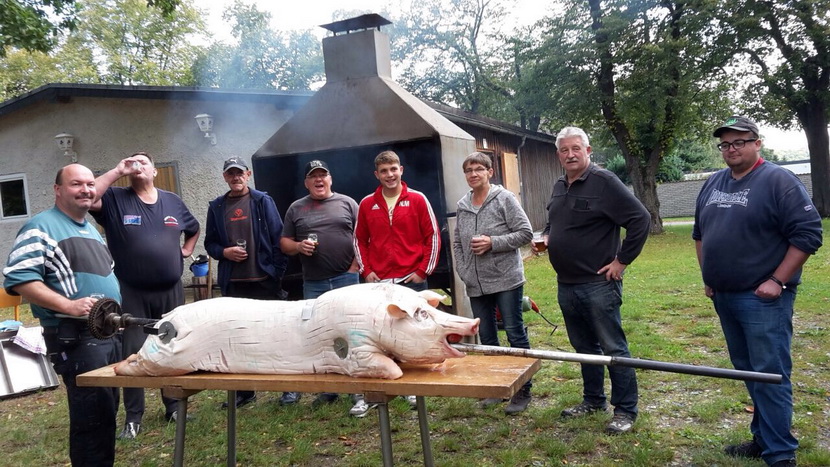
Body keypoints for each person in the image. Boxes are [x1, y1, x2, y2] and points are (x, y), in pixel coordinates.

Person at [693, 116, 822, 467]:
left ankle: (781, 454)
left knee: (768, 371)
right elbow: (699, 234)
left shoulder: (779, 181)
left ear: (756, 143)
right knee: (747, 369)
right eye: (725, 144)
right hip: (723, 294)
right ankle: (764, 439)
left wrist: (777, 280)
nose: (731, 149)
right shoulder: (714, 182)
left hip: (763, 298)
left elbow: (808, 234)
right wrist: (708, 276)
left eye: (739, 142)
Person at [533, 126, 650, 434]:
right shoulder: (560, 184)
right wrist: (546, 237)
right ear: (558, 154)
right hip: (566, 283)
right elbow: (554, 220)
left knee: (614, 348)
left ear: (588, 150)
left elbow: (640, 219)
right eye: (564, 150)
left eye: (576, 148)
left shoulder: (604, 182)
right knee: (584, 347)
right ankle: (593, 400)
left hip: (598, 284)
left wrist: (622, 261)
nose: (570, 154)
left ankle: (625, 410)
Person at [3, 164, 121, 466]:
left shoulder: (91, 230)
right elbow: (19, 278)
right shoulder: (40, 227)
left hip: (106, 334)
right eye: (76, 184)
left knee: (106, 411)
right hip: (77, 336)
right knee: (92, 419)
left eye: (90, 184)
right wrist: (68, 306)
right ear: (58, 190)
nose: (86, 190)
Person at [91, 152, 200, 439]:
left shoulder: (173, 201)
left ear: (154, 171)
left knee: (171, 346)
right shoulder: (115, 198)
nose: (136, 164)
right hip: (132, 291)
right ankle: (133, 418)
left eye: (143, 161)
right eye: (131, 161)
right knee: (132, 353)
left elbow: (193, 227)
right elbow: (89, 197)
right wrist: (116, 169)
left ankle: (174, 406)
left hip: (171, 291)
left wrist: (186, 250)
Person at [354, 150, 441, 409]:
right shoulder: (367, 203)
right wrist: (366, 270)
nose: (389, 175)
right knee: (379, 333)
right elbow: (359, 239)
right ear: (376, 174)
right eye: (384, 171)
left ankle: (412, 388)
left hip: (411, 280)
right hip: (379, 282)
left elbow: (433, 236)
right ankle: (378, 388)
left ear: (401, 170)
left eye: (393, 169)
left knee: (412, 334)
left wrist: (423, 271)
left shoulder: (417, 199)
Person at [279, 160, 367, 415]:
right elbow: (284, 242)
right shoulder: (297, 208)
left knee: (351, 332)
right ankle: (328, 390)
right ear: (306, 182)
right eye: (313, 177)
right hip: (314, 283)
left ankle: (357, 389)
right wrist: (298, 247)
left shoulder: (348, 203)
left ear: (331, 179)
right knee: (320, 334)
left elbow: (363, 237)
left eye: (323, 175)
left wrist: (354, 266)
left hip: (346, 279)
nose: (319, 180)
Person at [452, 152, 534, 414]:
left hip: (506, 279)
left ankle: (522, 390)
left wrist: (493, 242)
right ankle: (498, 388)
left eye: (478, 169)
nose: (473, 174)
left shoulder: (504, 199)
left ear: (490, 172)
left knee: (514, 332)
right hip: (476, 283)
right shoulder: (463, 205)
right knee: (487, 337)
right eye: (468, 170)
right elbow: (457, 243)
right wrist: (464, 270)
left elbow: (525, 233)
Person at [205, 156, 288, 408]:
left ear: (248, 174)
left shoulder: (262, 200)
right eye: (230, 174)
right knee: (236, 338)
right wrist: (225, 252)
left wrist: (276, 272)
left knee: (274, 335)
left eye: (239, 173)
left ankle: (287, 388)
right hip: (235, 283)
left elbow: (278, 237)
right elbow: (210, 243)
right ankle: (244, 391)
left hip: (263, 279)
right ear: (224, 177)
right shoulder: (216, 207)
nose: (235, 177)